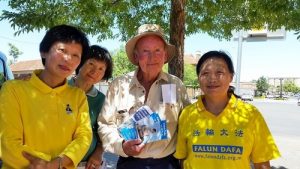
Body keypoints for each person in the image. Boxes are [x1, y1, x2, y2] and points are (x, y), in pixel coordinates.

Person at [98, 24, 190, 169]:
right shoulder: (119, 85)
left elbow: (187, 125)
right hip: (128, 163)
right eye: (145, 51)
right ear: (136, 56)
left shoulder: (174, 85)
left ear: (165, 55)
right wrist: (121, 145)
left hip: (167, 164)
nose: (152, 57)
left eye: (157, 51)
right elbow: (105, 124)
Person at [0, 24, 92, 169]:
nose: (68, 59)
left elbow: (84, 137)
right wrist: (47, 164)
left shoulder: (78, 96)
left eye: (76, 55)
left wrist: (55, 164)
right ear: (44, 51)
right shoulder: (13, 90)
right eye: (62, 50)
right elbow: (8, 143)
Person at [174, 51, 281, 169]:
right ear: (198, 78)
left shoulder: (251, 114)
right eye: (205, 73)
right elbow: (183, 159)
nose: (212, 78)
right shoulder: (187, 114)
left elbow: (262, 163)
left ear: (231, 77)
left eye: (219, 72)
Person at [68, 45, 113, 169]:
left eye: (101, 69)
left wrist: (98, 153)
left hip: (86, 164)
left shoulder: (101, 100)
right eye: (91, 64)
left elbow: (103, 132)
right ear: (80, 63)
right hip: (57, 161)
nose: (94, 72)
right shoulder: (60, 89)